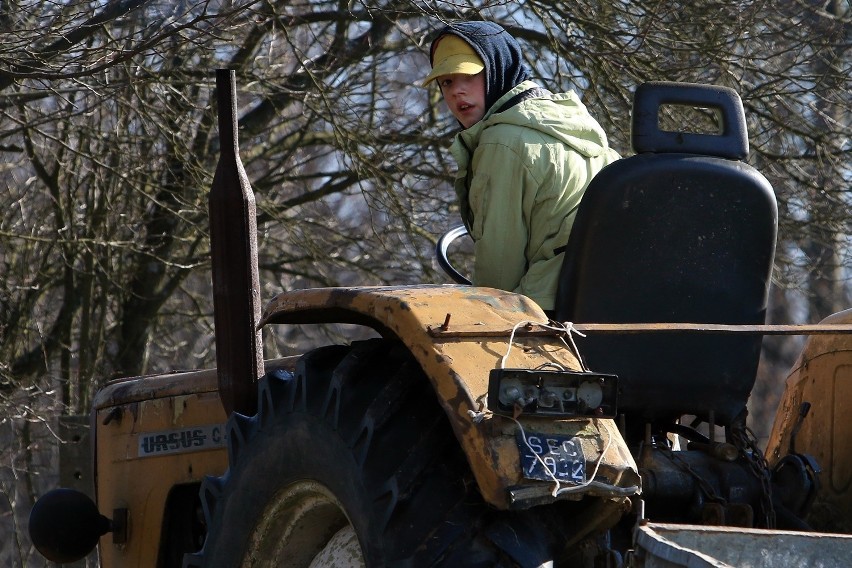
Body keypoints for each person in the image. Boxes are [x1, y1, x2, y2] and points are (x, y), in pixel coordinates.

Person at [422, 20, 620, 313]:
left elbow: (498, 274)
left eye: (468, 75)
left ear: (498, 67)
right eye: (447, 82)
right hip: (606, 297)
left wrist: (480, 316)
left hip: (549, 308)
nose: (456, 92)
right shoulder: (573, 124)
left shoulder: (501, 142)